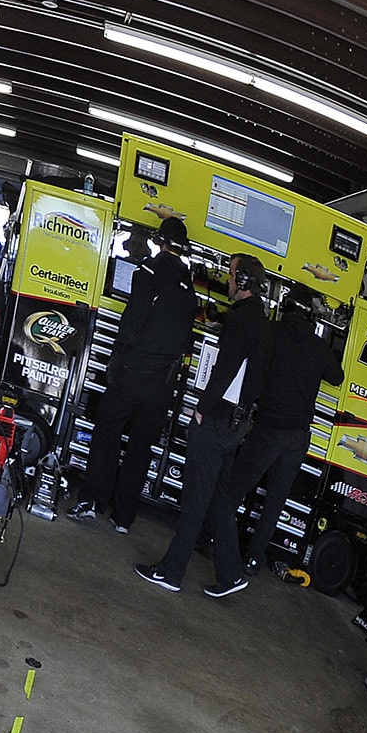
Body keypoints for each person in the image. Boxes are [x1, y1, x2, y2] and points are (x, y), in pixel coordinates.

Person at [137, 253, 270, 596]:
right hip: (236, 424)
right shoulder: (261, 319)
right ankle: (231, 574)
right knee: (222, 500)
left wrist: (202, 408)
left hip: (216, 421)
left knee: (196, 499)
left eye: (230, 274)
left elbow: (225, 370)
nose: (226, 280)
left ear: (242, 282)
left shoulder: (242, 318)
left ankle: (170, 572)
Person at [71, 215, 198, 532]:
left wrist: (118, 356)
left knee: (108, 432)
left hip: (134, 370)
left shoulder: (147, 272)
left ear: (160, 241)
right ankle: (124, 516)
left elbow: (132, 321)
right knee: (142, 445)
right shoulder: (189, 285)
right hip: (164, 382)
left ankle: (92, 501)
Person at [227, 284, 344, 573]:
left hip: (267, 426)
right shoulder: (318, 347)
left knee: (235, 489)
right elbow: (337, 377)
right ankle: (254, 558)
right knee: (275, 501)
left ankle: (215, 540)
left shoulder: (271, 331)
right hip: (297, 436)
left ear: (287, 305)